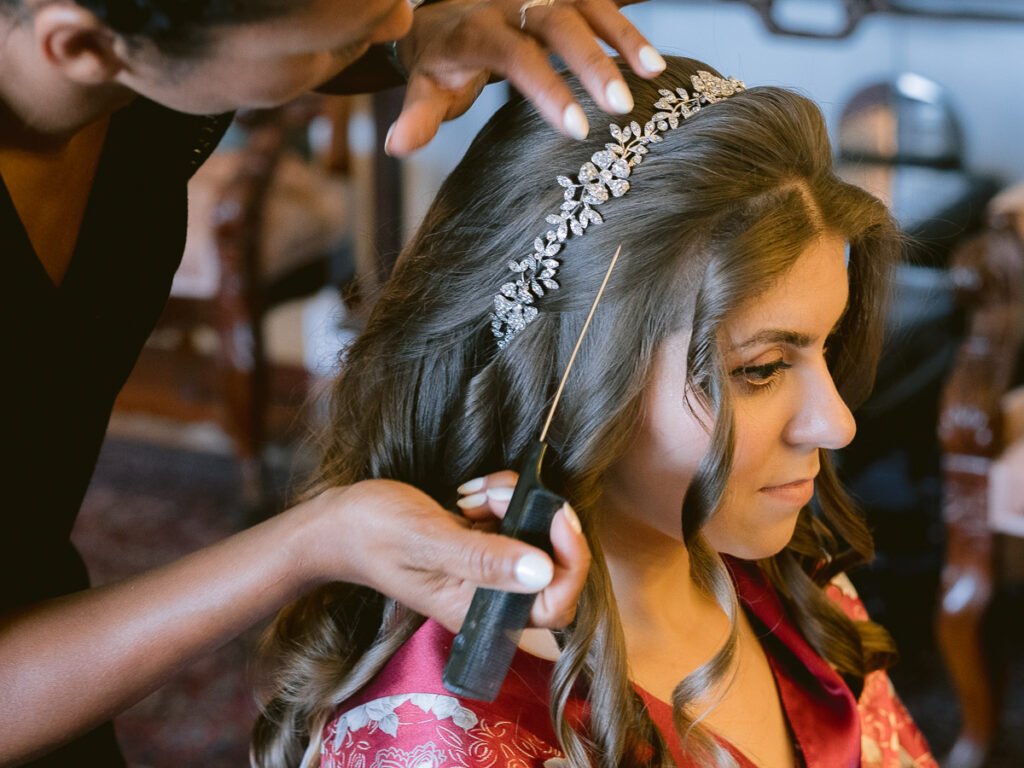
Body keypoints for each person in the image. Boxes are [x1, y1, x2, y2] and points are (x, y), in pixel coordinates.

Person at [0, 0, 667, 764]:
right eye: (356, 28)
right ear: (83, 46)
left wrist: (422, 33)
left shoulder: (123, 58)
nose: (393, 22)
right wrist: (310, 545)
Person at [251, 56, 938, 767]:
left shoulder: (788, 580)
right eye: (760, 369)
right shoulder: (439, 732)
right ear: (567, 379)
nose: (837, 423)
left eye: (826, 346)